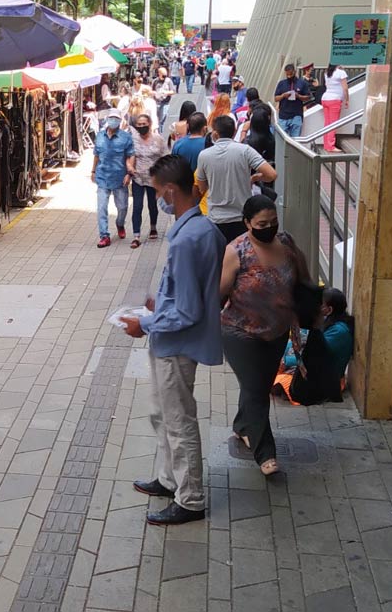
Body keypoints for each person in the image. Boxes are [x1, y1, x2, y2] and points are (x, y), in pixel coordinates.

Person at [119, 155, 223, 526]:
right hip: (173, 342)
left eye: (156, 190)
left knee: (178, 420)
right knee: (163, 415)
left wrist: (144, 325)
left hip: (177, 345)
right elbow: (185, 293)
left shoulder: (188, 238)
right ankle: (169, 480)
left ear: (169, 190)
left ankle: (191, 498)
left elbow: (188, 310)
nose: (156, 198)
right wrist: (157, 304)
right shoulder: (198, 230)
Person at [219, 196, 309, 477]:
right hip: (239, 334)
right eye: (261, 224)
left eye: (273, 222)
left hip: (277, 332)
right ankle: (265, 452)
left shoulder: (286, 243)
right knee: (257, 389)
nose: (268, 228)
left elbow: (303, 277)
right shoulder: (236, 251)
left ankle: (243, 426)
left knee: (256, 385)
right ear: (247, 224)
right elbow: (218, 293)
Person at [196, 115, 277, 244]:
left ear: (215, 133)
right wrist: (254, 178)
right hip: (241, 218)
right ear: (234, 132)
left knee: (220, 260)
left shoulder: (204, 155)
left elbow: (202, 187)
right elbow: (271, 175)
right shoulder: (245, 151)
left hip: (216, 219)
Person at [275, 287, 354, 406]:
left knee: (277, 377)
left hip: (327, 379)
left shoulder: (339, 331)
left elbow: (314, 356)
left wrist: (285, 361)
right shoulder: (330, 324)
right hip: (320, 370)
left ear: (329, 310)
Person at [92, 110, 135, 248]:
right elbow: (96, 155)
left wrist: (129, 174)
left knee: (122, 207)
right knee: (101, 207)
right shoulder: (100, 136)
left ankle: (120, 224)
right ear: (107, 119)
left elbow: (131, 155)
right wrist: (93, 170)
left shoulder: (126, 137)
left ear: (120, 120)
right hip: (102, 177)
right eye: (111, 118)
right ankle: (104, 235)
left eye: (116, 118)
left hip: (119, 178)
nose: (113, 121)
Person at [129, 113, 167, 248]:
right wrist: (129, 169)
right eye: (139, 125)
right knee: (137, 206)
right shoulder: (133, 140)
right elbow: (128, 155)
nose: (141, 127)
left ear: (149, 125)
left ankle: (153, 226)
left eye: (144, 124)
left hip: (153, 179)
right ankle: (136, 235)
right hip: (138, 177)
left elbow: (164, 157)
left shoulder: (158, 139)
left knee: (152, 204)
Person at [274, 64, 312, 138]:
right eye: (287, 74)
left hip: (296, 115)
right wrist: (283, 96)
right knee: (281, 139)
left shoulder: (302, 83)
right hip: (283, 116)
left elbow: (308, 97)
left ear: (294, 72)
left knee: (296, 139)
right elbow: (276, 98)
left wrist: (299, 96)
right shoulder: (281, 83)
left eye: (290, 74)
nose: (289, 76)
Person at [321, 64, 350, 152]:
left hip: (325, 98)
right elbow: (345, 88)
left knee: (327, 123)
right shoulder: (341, 73)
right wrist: (347, 99)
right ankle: (331, 146)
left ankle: (326, 144)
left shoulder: (327, 73)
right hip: (335, 100)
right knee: (333, 124)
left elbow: (326, 85)